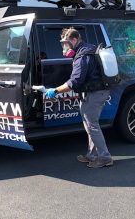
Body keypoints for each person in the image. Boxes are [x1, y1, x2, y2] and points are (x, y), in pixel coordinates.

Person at [45, 27, 113, 168]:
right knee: (89, 124)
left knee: (92, 125)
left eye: (66, 44)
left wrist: (55, 90)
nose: (64, 47)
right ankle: (92, 155)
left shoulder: (83, 56)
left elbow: (74, 82)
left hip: (96, 93)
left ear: (74, 40)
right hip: (93, 92)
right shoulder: (86, 49)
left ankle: (105, 158)